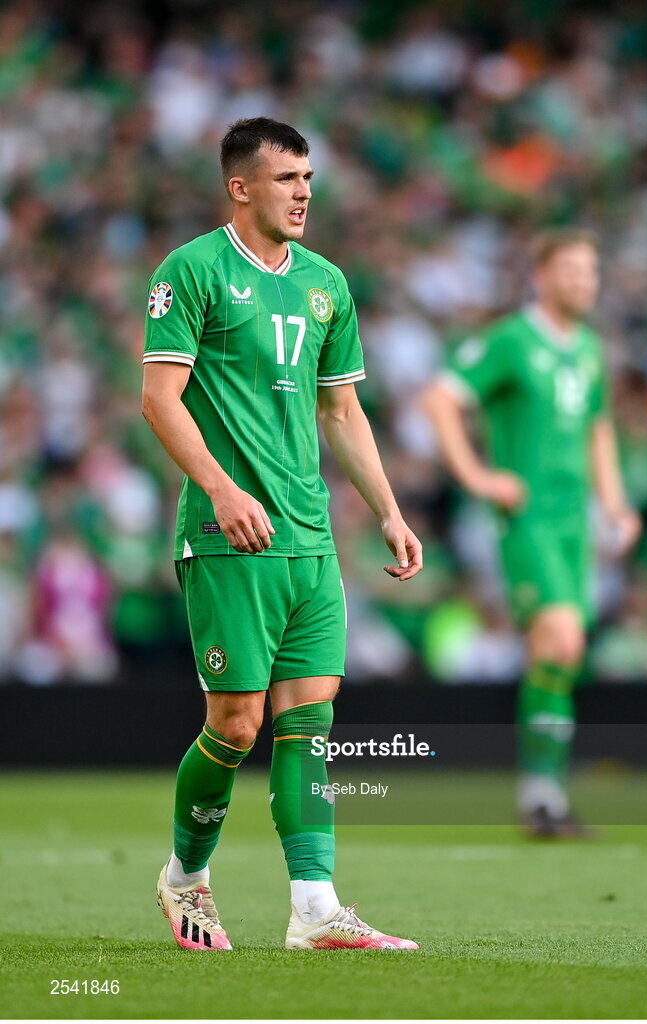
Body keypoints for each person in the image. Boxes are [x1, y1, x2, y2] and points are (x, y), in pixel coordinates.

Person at [142, 118, 422, 949]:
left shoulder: (326, 283)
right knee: (235, 724)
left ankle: (314, 910)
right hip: (229, 533)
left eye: (309, 177)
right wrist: (221, 488)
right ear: (241, 186)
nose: (305, 192)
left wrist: (388, 508)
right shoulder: (190, 270)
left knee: (309, 721)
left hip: (309, 537)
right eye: (287, 177)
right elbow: (159, 399)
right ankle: (185, 877)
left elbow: (341, 409)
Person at [422, 229, 640, 837]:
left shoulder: (591, 348)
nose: (583, 282)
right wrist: (478, 476)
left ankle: (545, 797)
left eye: (591, 271)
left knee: (560, 654)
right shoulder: (512, 340)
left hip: (576, 525)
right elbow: (440, 398)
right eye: (571, 269)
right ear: (540, 276)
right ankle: (542, 796)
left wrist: (616, 503)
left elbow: (598, 428)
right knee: (562, 639)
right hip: (530, 520)